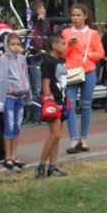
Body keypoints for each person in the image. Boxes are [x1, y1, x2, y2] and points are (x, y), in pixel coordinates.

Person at [62, 3, 105, 154]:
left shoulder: (92, 33)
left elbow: (100, 53)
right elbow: (62, 53)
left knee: (86, 105)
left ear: (85, 16)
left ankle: (83, 137)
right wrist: (69, 45)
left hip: (88, 71)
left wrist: (88, 56)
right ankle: (73, 138)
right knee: (69, 104)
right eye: (73, 15)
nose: (75, 18)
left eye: (78, 15)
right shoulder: (66, 32)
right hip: (72, 71)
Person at [0, 32, 30, 170]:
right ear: (7, 46)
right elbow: (1, 81)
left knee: (17, 127)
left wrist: (28, 95)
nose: (16, 47)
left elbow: (26, 76)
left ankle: (14, 155)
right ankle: (7, 156)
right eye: (12, 44)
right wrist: (1, 102)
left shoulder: (22, 59)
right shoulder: (3, 60)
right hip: (9, 97)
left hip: (20, 96)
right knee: (8, 127)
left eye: (18, 44)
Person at [35, 34, 68, 178]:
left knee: (57, 137)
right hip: (53, 101)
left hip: (62, 99)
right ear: (54, 45)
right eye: (63, 43)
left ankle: (52, 167)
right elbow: (46, 84)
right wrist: (50, 103)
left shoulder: (61, 60)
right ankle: (41, 166)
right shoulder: (48, 61)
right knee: (55, 134)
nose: (65, 46)